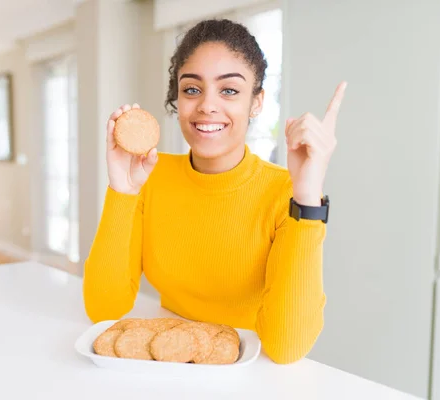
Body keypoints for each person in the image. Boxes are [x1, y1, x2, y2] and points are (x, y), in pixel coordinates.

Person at [83, 18, 346, 364]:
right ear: (177, 98)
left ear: (256, 102)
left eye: (229, 90)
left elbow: (286, 348)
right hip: (166, 371)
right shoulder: (148, 176)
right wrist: (122, 190)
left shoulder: (287, 194)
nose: (207, 105)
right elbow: (104, 309)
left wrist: (308, 198)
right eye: (192, 89)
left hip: (248, 377)